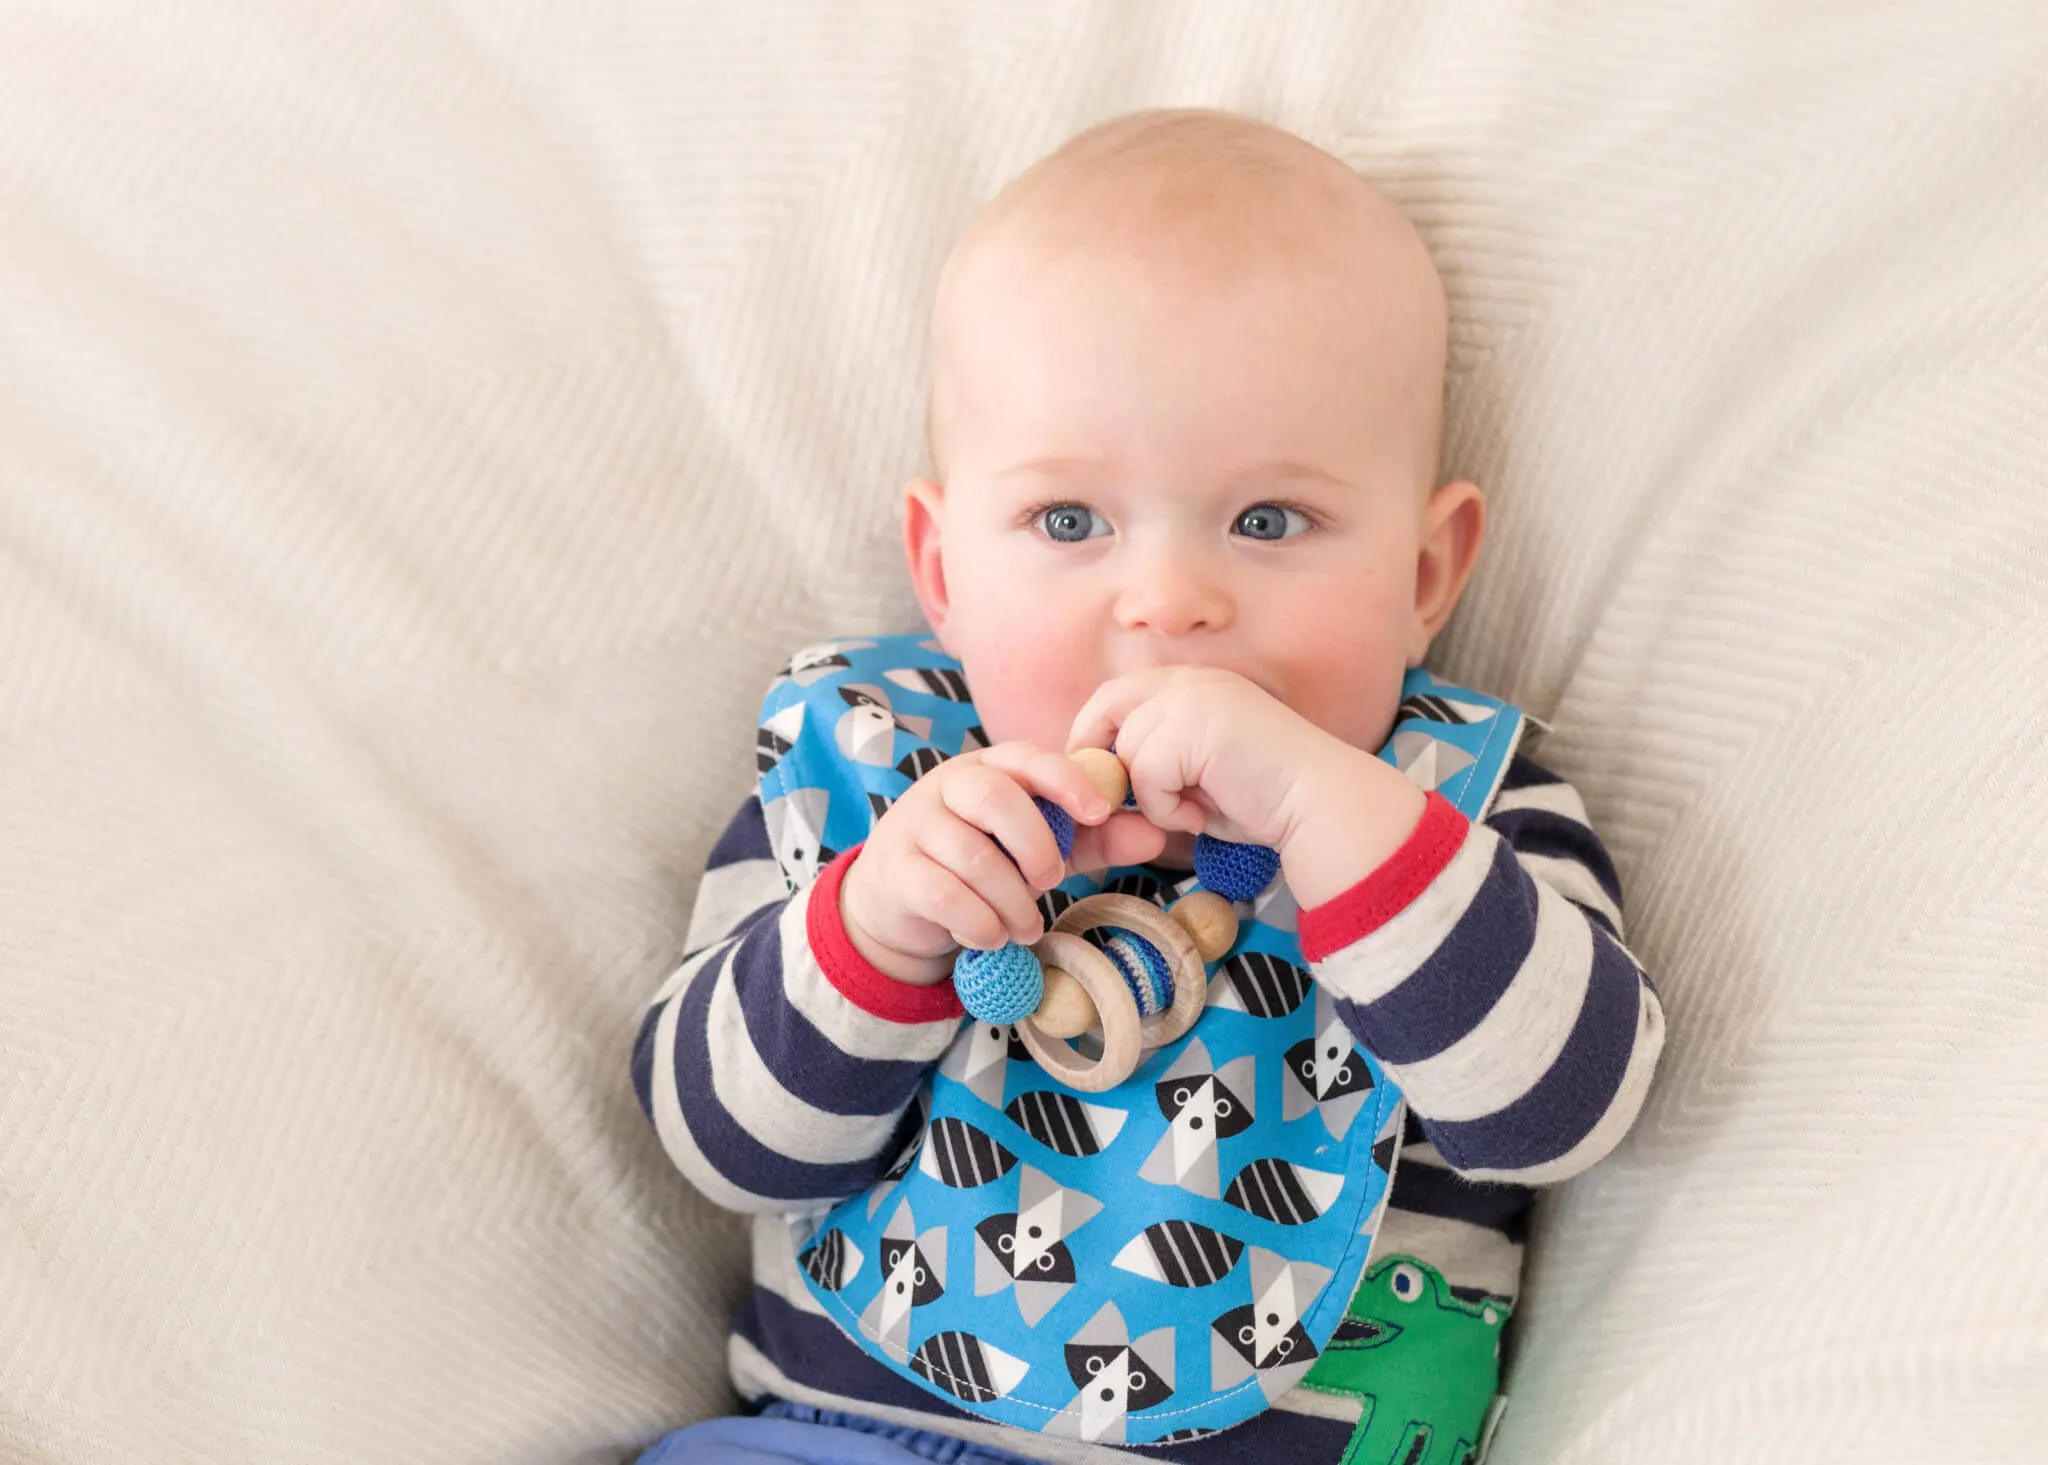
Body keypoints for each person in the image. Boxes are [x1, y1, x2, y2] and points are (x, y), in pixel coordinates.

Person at [631, 108, 1664, 1465]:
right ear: (943, 573)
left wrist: (1316, 806)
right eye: (1070, 523)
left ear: (1424, 577)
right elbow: (721, 1150)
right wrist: (879, 926)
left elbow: (1563, 1112)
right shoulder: (873, 780)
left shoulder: (1451, 811)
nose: (1170, 602)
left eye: (1268, 521)